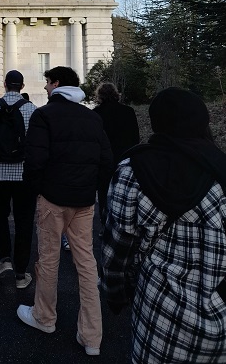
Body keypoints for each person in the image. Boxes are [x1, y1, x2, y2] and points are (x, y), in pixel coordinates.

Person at [102, 87, 226, 363]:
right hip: (220, 314)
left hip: (159, 312)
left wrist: (116, 294)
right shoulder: (220, 169)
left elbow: (117, 248)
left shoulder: (132, 170)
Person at [18, 66, 112, 357]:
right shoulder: (92, 117)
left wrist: (39, 190)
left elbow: (34, 160)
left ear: (56, 83)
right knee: (86, 265)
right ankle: (92, 336)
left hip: (53, 199)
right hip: (84, 201)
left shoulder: (44, 115)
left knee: (48, 260)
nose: (45, 87)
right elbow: (106, 160)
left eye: (47, 82)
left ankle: (45, 318)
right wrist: (91, 189)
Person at [0, 70, 37, 289]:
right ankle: (21, 274)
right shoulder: (31, 109)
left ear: (4, 84)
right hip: (23, 173)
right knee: (24, 221)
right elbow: (35, 142)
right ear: (22, 85)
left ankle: (4, 259)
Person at [94, 82, 140, 228]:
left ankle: (104, 223)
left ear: (99, 95)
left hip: (103, 159)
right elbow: (135, 137)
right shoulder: (128, 111)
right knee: (123, 192)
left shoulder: (96, 113)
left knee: (103, 191)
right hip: (124, 157)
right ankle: (122, 223)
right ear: (116, 94)